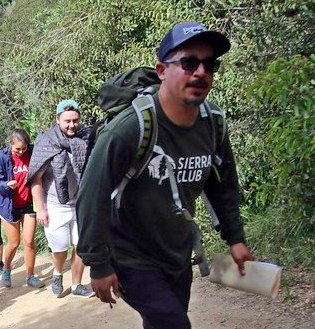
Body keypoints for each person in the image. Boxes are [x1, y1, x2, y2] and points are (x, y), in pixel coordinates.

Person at [77, 22, 253, 329]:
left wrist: (235, 237)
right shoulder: (131, 128)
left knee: (164, 323)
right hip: (130, 255)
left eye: (209, 64)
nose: (201, 72)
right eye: (188, 63)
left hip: (176, 251)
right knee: (174, 324)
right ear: (162, 70)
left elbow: (222, 185)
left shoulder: (213, 123)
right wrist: (98, 263)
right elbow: (92, 195)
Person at [28, 100, 95, 298]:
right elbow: (36, 179)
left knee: (81, 245)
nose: (72, 125)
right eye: (67, 121)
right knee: (60, 247)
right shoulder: (47, 142)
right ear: (57, 119)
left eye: (75, 120)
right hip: (56, 203)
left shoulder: (86, 138)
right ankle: (58, 273)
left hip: (81, 202)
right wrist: (41, 209)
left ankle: (76, 285)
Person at [0, 129, 44, 289]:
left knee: (29, 241)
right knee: (14, 243)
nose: (21, 152)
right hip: (9, 206)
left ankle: (30, 275)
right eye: (17, 149)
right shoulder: (1, 157)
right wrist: (6, 185)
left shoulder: (33, 152)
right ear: (10, 145)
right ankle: (6, 269)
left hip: (28, 204)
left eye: (24, 148)